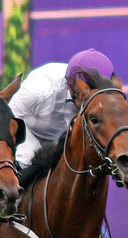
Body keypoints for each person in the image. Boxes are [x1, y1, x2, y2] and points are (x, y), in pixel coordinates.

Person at [8, 48, 115, 186]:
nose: (87, 98)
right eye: (85, 89)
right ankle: (9, 202)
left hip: (59, 139)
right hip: (27, 129)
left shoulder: (104, 99)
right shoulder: (39, 90)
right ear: (70, 83)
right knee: (27, 156)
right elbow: (10, 118)